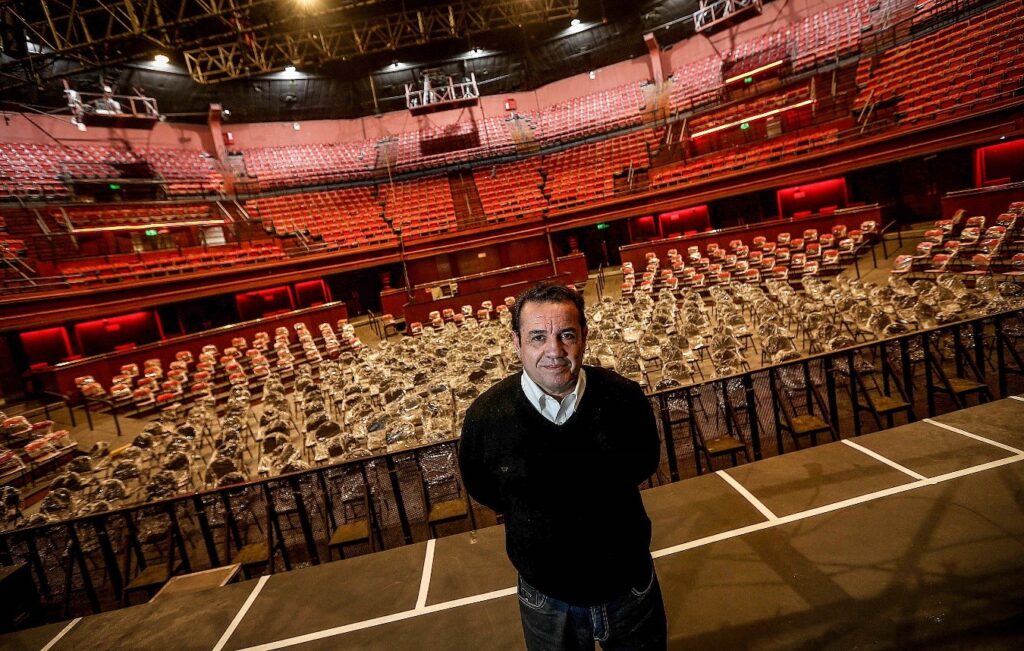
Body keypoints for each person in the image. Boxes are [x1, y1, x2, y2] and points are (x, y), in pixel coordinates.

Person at [459, 282, 666, 650]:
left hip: (629, 586)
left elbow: (644, 462)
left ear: (584, 336)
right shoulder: (487, 417)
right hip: (547, 600)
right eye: (537, 337)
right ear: (516, 342)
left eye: (566, 334)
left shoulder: (624, 398)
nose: (553, 351)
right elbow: (482, 486)